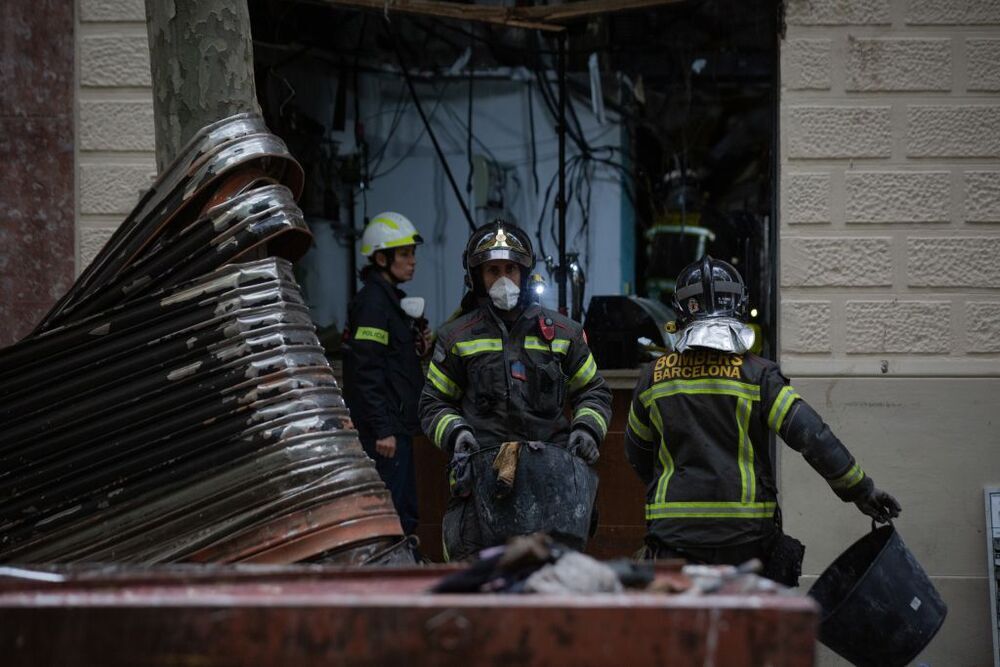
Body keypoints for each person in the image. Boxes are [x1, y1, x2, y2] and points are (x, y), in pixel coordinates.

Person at [625, 255, 901, 585]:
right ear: (739, 304)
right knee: (748, 629)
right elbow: (813, 437)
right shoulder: (758, 375)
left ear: (681, 310)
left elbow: (637, 453)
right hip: (745, 536)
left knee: (679, 631)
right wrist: (862, 491)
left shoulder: (654, 378)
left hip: (673, 535)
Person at [418, 219, 612, 560]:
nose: (503, 279)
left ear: (525, 272)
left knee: (552, 581)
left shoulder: (563, 334)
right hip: (482, 486)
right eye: (493, 270)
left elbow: (593, 391)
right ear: (477, 276)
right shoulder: (456, 337)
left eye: (511, 269)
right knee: (478, 586)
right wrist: (457, 434)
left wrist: (587, 430)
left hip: (551, 486)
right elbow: (433, 403)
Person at [343, 212, 429, 537]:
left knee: (405, 507)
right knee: (394, 512)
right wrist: (383, 430)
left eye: (413, 253)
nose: (412, 261)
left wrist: (417, 347)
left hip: (397, 425)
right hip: (385, 434)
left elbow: (391, 361)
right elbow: (366, 371)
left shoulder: (389, 302)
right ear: (381, 257)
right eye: (405, 253)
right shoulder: (373, 305)